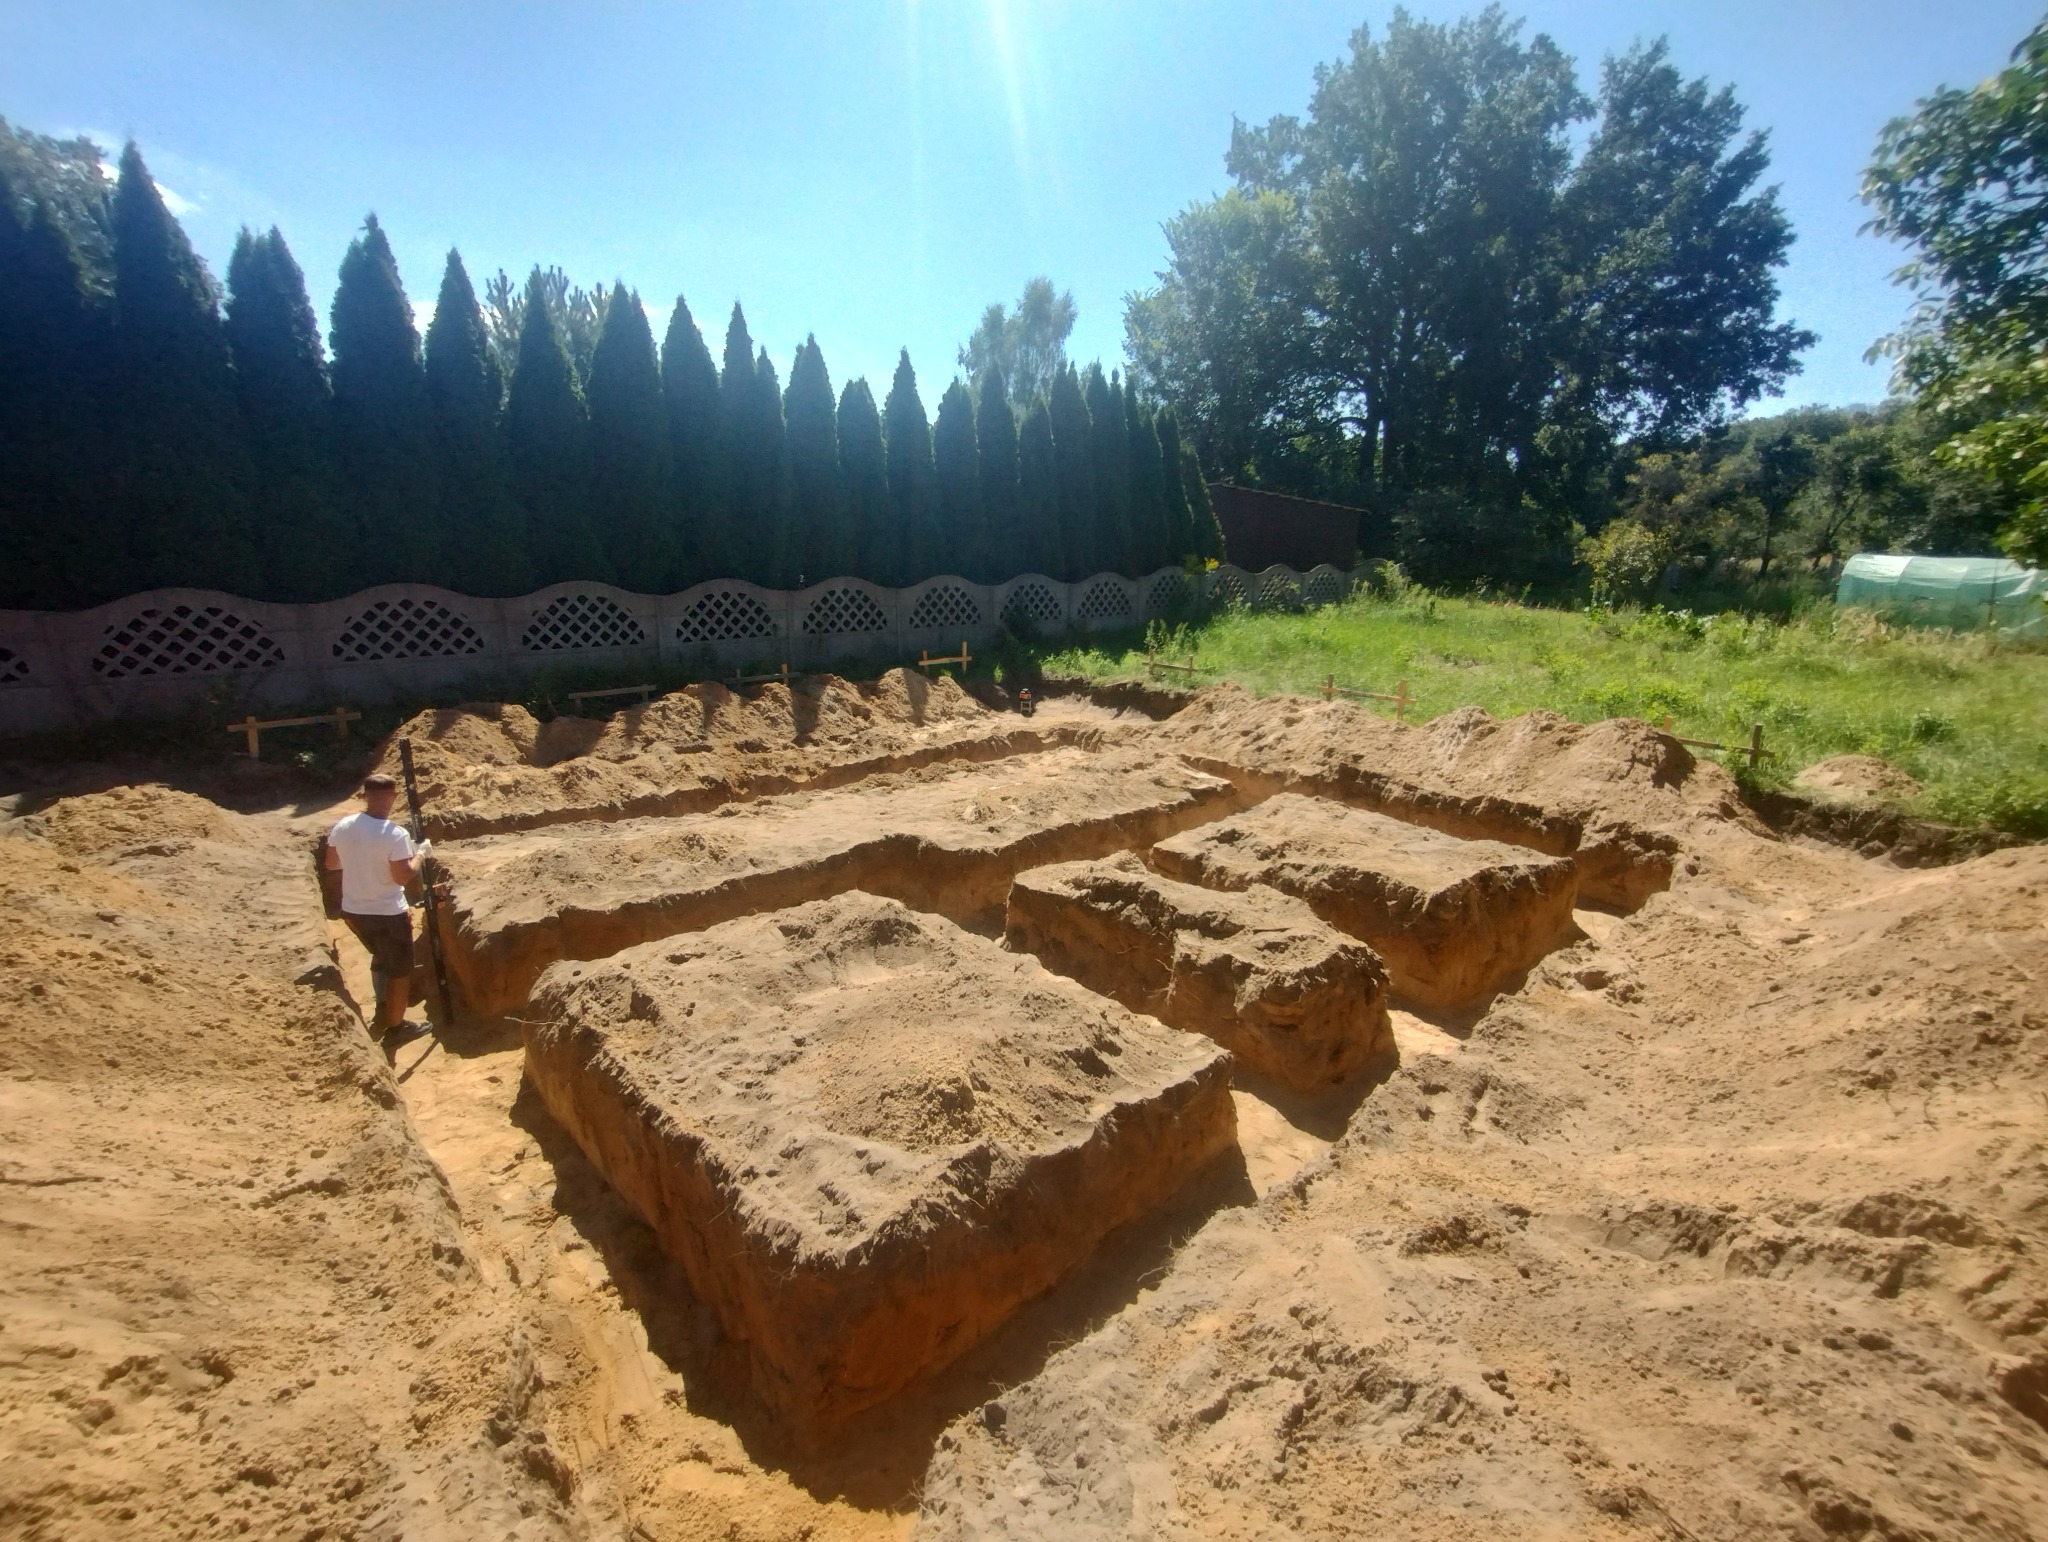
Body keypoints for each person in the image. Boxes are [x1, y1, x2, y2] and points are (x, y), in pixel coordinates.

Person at [325, 773, 431, 1054]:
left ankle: (383, 1006)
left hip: (353, 911)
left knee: (380, 957)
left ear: (365, 796)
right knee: (400, 971)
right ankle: (396, 1029)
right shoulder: (395, 834)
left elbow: (332, 863)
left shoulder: (343, 826)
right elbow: (402, 876)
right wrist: (420, 854)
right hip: (386, 913)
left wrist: (362, 864)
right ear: (393, 796)